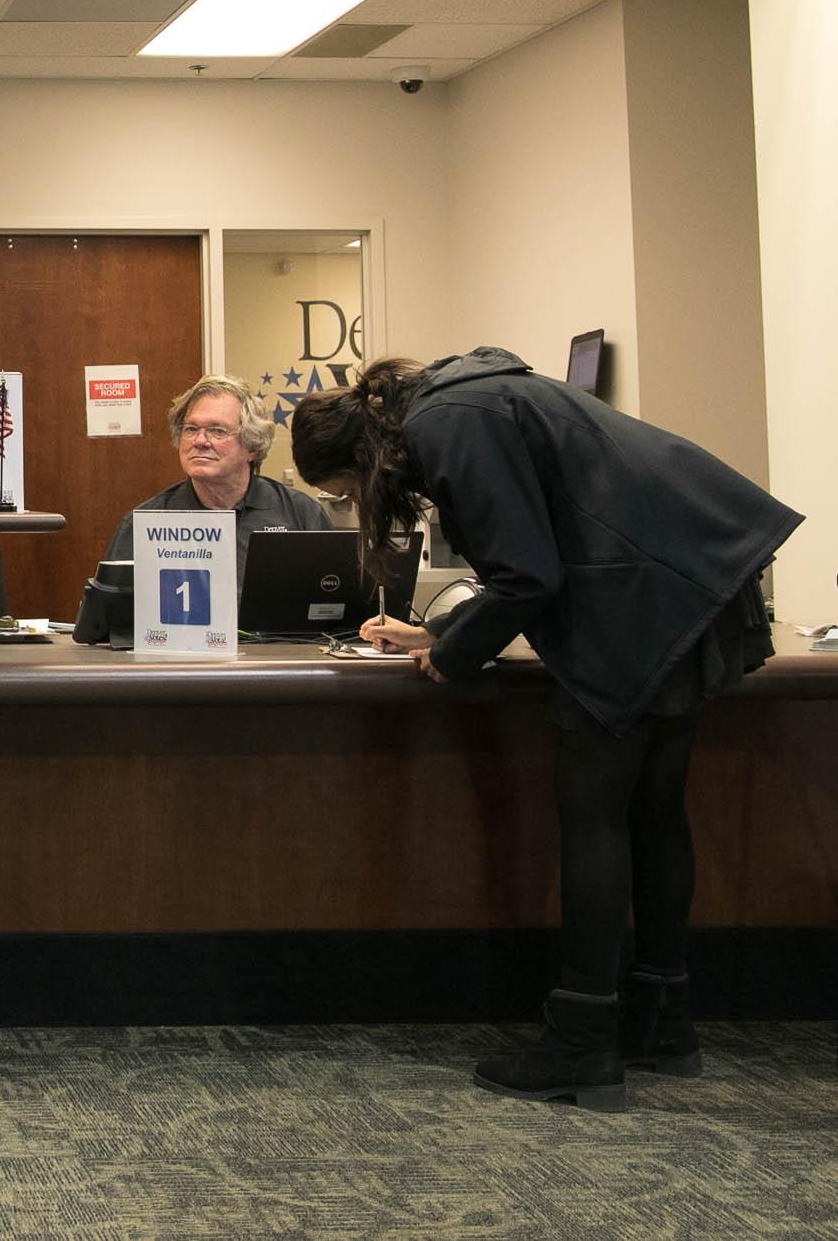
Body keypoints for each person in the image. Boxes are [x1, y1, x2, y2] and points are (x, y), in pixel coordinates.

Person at [292, 349, 801, 1111]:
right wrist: (446, 634)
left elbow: (527, 573)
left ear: (358, 459)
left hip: (639, 597)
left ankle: (583, 1042)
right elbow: (538, 555)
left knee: (593, 813)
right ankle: (663, 1024)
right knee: (654, 809)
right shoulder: (471, 397)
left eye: (343, 491)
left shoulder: (446, 425)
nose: (356, 503)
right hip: (686, 581)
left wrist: (453, 653)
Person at [102, 374, 329, 573]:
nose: (200, 441)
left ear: (252, 446)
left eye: (217, 431)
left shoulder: (300, 515)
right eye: (191, 429)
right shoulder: (145, 523)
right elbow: (109, 616)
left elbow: (335, 602)